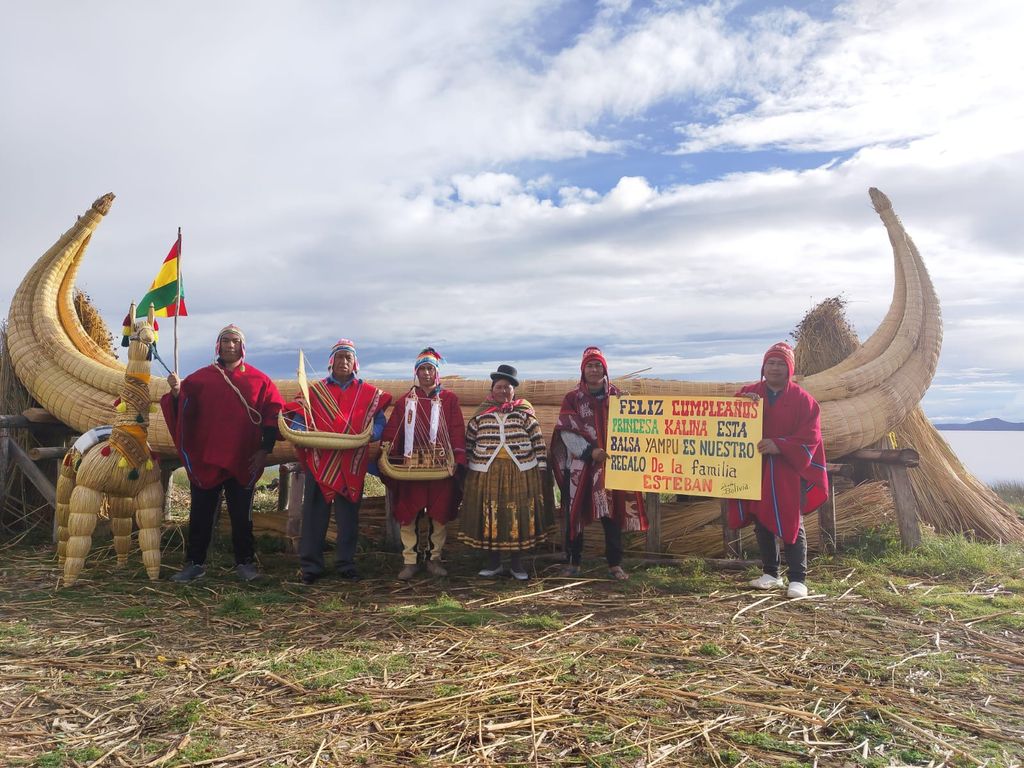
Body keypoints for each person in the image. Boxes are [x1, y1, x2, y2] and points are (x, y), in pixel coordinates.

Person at [162, 325, 284, 583]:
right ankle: (194, 564)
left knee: (242, 517)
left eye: (235, 342)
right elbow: (183, 411)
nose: (230, 346)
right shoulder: (199, 379)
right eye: (225, 341)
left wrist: (265, 449)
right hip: (207, 460)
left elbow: (274, 414)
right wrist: (176, 393)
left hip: (243, 459)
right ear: (218, 346)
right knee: (200, 515)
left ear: (242, 347)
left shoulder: (259, 381)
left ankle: (245, 563)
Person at [281, 340, 392, 584]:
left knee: (348, 517)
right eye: (339, 357)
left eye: (348, 358)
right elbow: (299, 417)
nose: (344, 362)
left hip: (351, 462)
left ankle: (346, 564)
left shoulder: (368, 393)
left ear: (355, 363)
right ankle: (311, 566)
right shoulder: (315, 391)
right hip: (320, 462)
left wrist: (372, 434)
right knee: (313, 515)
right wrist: (300, 431)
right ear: (331, 361)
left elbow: (381, 422)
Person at [727, 342, 829, 598]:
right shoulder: (749, 393)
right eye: (770, 363)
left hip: (786, 469)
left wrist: (779, 445)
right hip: (756, 467)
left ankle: (798, 578)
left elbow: (811, 436)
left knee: (791, 519)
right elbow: (728, 421)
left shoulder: (803, 401)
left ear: (789, 369)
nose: (774, 368)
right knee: (761, 518)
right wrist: (741, 404)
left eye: (780, 364)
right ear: (763, 367)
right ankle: (771, 573)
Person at [551, 346, 647, 580]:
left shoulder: (618, 397)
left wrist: (631, 409)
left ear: (605, 369)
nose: (594, 370)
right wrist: (589, 452)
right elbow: (566, 430)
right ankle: (573, 562)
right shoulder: (573, 398)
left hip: (612, 466)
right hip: (581, 467)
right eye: (589, 366)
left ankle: (615, 564)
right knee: (575, 515)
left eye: (598, 365)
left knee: (612, 516)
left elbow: (635, 427)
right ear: (583, 370)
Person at [460, 365, 553, 580]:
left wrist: (541, 469)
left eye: (507, 387)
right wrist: (466, 471)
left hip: (520, 471)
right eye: (499, 387)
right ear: (492, 390)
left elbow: (538, 442)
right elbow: (469, 443)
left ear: (514, 391)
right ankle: (493, 563)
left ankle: (517, 564)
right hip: (487, 472)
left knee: (516, 516)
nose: (503, 391)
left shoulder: (524, 414)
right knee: (490, 515)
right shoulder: (481, 415)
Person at [381, 348, 465, 580]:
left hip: (440, 467)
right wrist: (387, 450)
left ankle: (434, 559)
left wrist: (457, 459)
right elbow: (393, 429)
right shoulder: (405, 402)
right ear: (416, 373)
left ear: (437, 372)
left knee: (438, 514)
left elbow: (457, 429)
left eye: (430, 369)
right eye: (422, 369)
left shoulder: (449, 400)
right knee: (409, 513)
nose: (426, 373)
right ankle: (410, 560)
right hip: (412, 468)